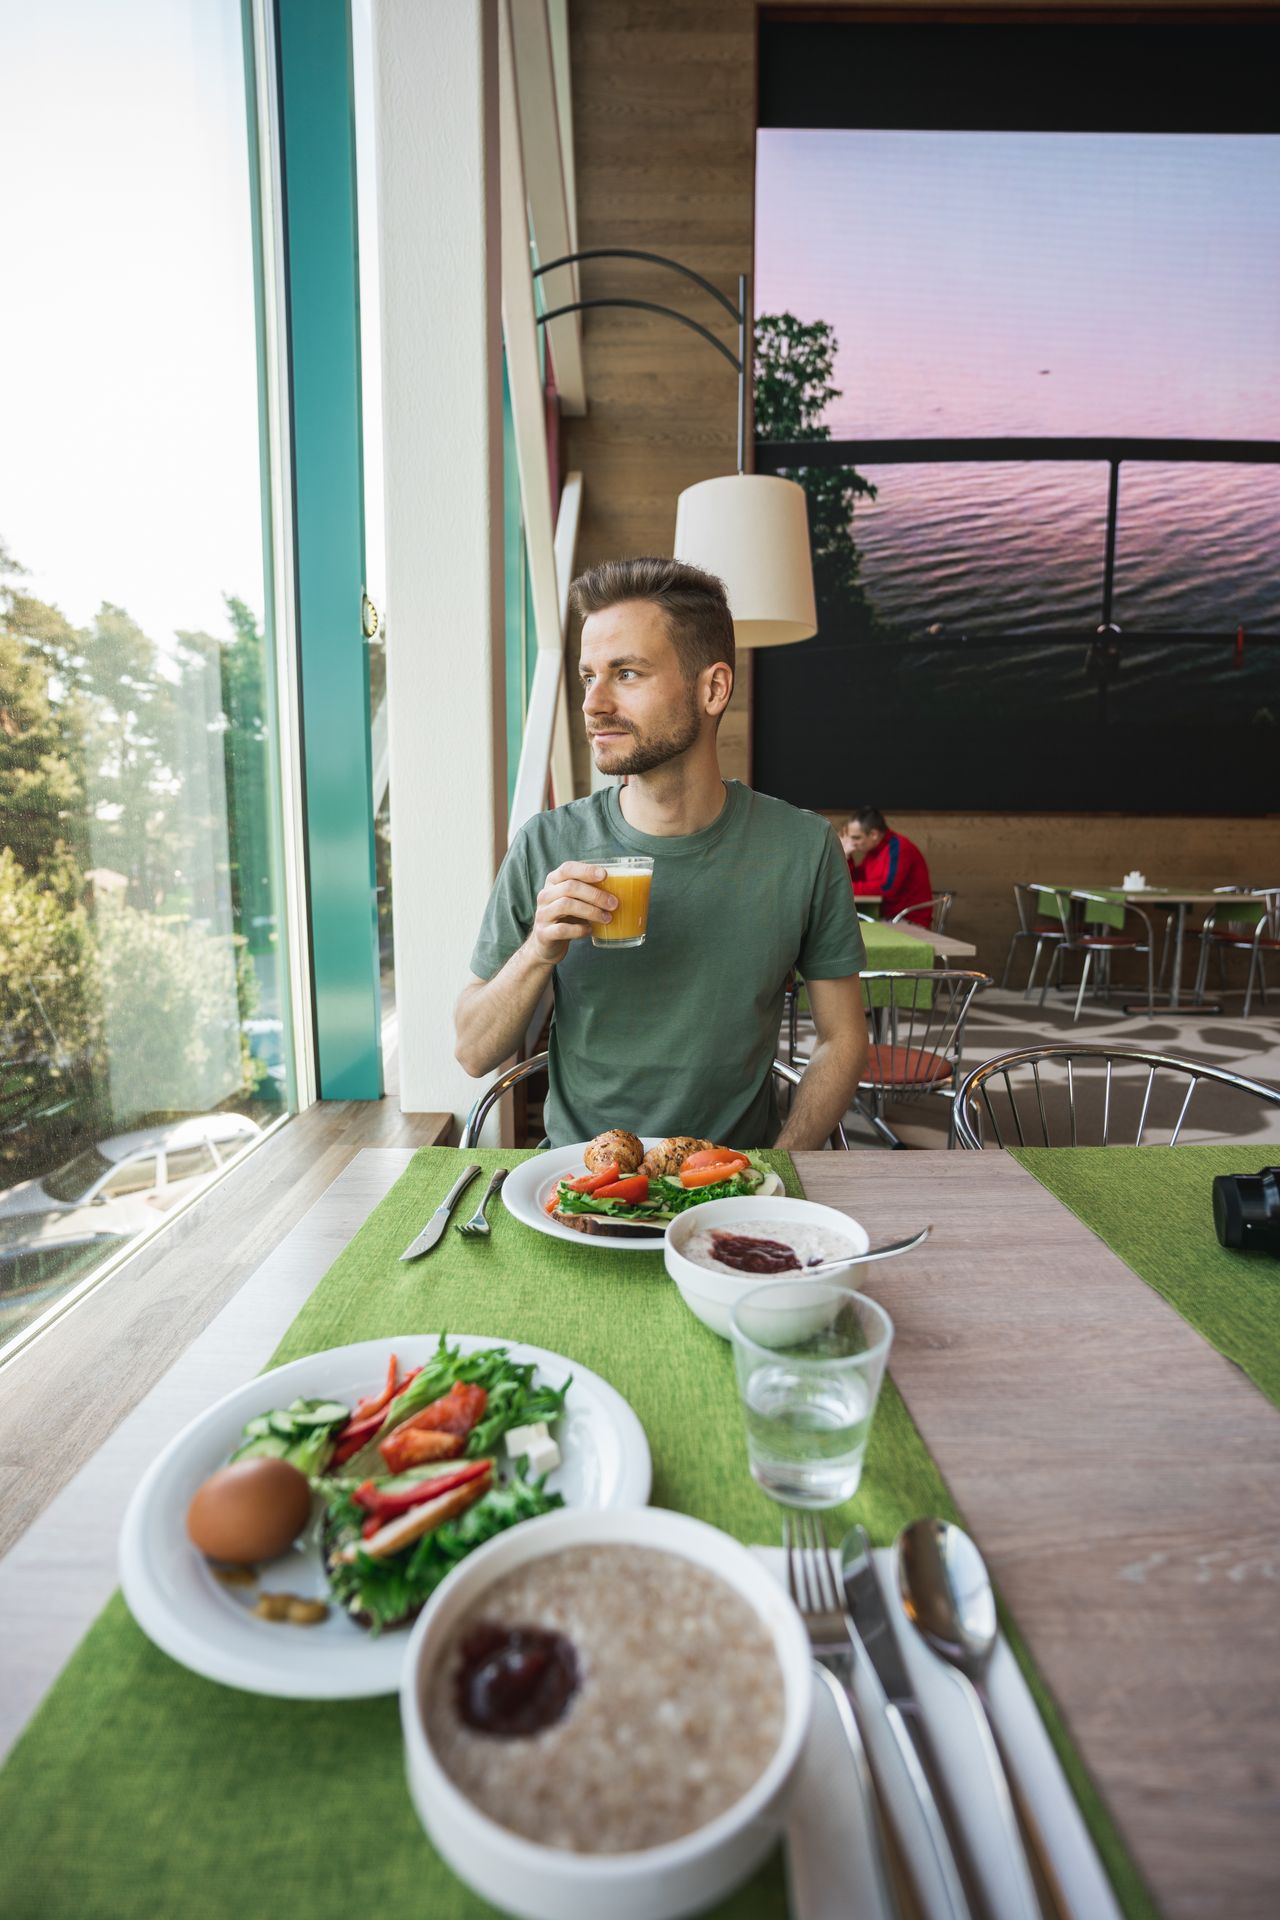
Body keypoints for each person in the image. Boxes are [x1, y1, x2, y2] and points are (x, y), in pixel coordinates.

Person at [456, 557, 868, 1148]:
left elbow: (842, 1038)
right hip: (580, 1183)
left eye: (626, 674)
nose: (592, 704)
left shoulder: (803, 847)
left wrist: (777, 1166)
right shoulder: (546, 843)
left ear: (713, 689)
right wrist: (538, 951)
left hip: (729, 1187)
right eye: (586, 676)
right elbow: (473, 1052)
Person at [839, 808, 933, 927]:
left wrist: (842, 888)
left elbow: (886, 888)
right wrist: (846, 857)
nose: (852, 843)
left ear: (874, 834)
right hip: (884, 918)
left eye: (856, 838)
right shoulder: (873, 852)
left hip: (907, 920)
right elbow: (857, 880)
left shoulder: (899, 848)